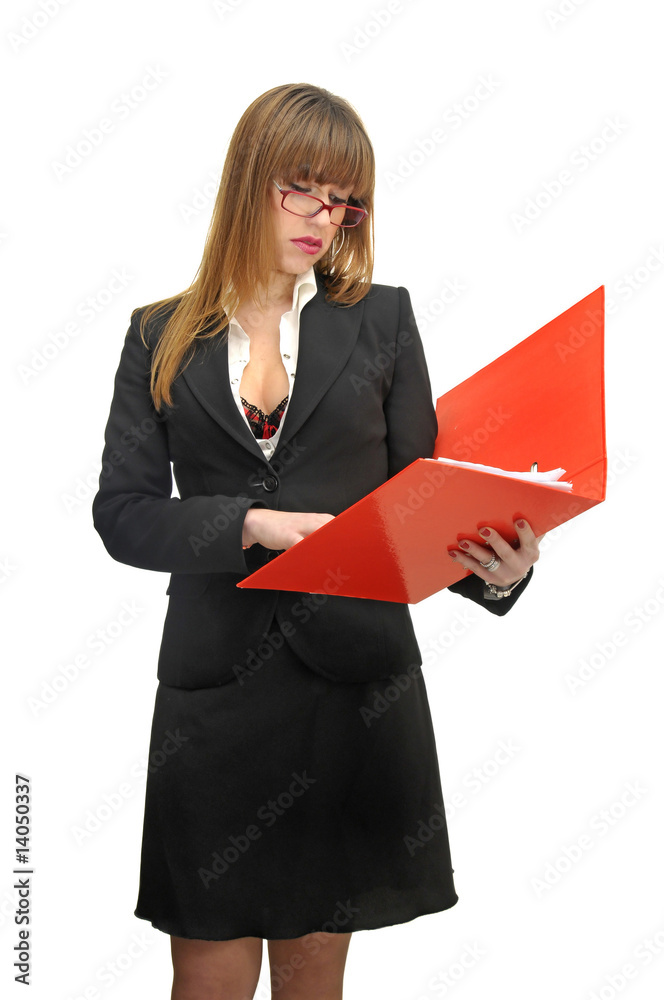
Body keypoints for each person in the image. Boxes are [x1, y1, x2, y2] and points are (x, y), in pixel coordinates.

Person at [92, 82, 540, 1000]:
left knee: (313, 971)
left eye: (344, 199)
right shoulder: (157, 334)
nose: (324, 216)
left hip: (352, 690)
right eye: (303, 188)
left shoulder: (384, 319)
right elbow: (123, 513)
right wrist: (247, 524)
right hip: (215, 693)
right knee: (206, 969)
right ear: (250, 179)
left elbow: (419, 499)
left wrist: (497, 573)